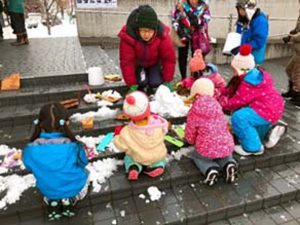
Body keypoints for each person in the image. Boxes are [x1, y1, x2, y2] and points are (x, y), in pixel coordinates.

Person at [22, 103, 89, 221]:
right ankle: (71, 198)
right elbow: (83, 162)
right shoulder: (73, 146)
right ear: (66, 123)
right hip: (73, 187)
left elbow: (29, 166)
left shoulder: (30, 149)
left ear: (40, 123)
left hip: (48, 189)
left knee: (48, 179)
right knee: (87, 173)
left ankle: (52, 200)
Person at [218, 44, 286, 156]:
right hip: (271, 108)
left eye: (234, 70)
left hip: (266, 110)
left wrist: (221, 102)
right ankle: (269, 132)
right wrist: (220, 92)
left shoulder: (249, 82)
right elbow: (231, 89)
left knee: (239, 117)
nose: (233, 72)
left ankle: (253, 148)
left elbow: (236, 102)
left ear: (242, 70)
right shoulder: (253, 75)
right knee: (250, 120)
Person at [185, 78, 237, 186]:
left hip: (206, 147)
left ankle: (210, 169)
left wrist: (189, 140)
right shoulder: (217, 106)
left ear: (195, 94)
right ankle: (229, 164)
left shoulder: (195, 110)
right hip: (225, 143)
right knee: (224, 155)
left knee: (198, 157)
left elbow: (191, 131)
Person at [118, 5, 176, 94]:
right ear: (138, 29)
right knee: (141, 82)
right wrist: (131, 84)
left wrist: (167, 80)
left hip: (154, 63)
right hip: (139, 64)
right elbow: (126, 62)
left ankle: (151, 87)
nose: (146, 34)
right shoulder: (128, 37)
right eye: (143, 31)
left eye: (150, 31)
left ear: (155, 30)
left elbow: (169, 59)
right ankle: (141, 88)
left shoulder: (163, 36)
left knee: (155, 82)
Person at [113, 91, 168, 181]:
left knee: (129, 157)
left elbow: (121, 146)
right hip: (157, 154)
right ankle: (157, 166)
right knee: (159, 159)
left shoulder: (127, 131)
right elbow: (164, 132)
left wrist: (117, 136)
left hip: (139, 157)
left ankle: (134, 167)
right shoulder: (159, 124)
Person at [171, 0, 211, 80]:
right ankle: (183, 78)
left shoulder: (203, 6)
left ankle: (195, 77)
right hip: (183, 34)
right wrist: (179, 30)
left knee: (197, 56)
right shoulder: (181, 4)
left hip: (197, 35)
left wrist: (187, 15)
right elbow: (174, 18)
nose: (193, 1)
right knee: (182, 56)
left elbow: (202, 21)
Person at [234, 0, 268, 64]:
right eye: (238, 10)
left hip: (253, 56)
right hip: (242, 54)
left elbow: (259, 40)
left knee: (250, 72)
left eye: (241, 9)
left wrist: (245, 48)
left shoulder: (260, 20)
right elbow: (238, 34)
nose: (240, 12)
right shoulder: (243, 19)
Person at [282, 3, 300, 106]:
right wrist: (291, 33)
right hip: (297, 50)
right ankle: (291, 91)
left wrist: (291, 38)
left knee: (296, 74)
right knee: (289, 69)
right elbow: (297, 30)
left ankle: (297, 96)